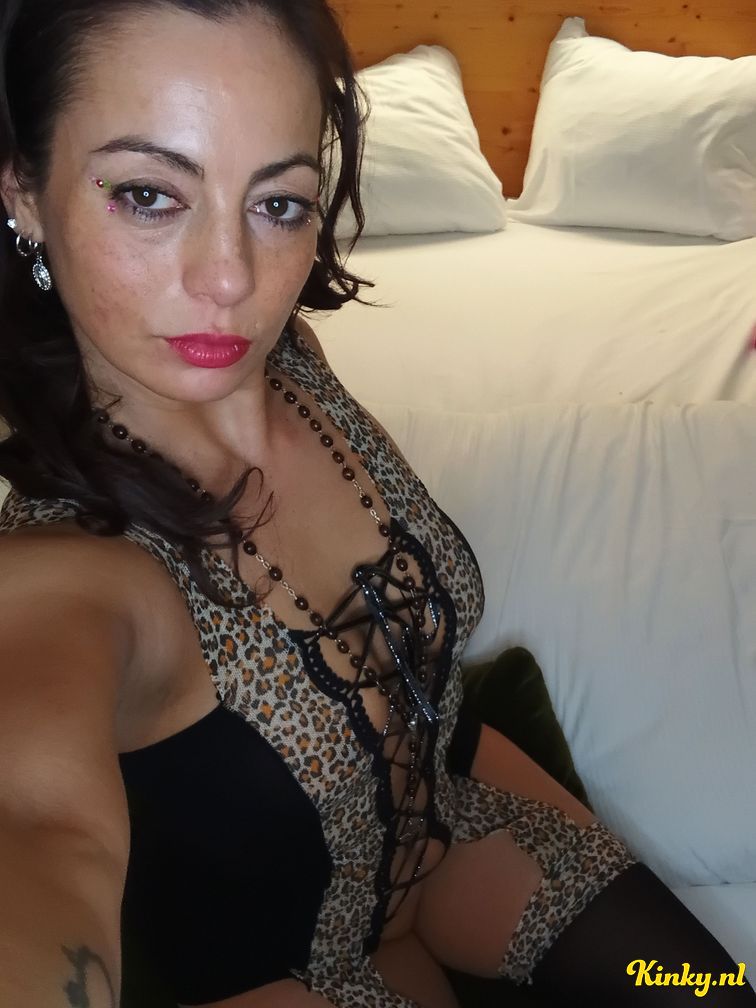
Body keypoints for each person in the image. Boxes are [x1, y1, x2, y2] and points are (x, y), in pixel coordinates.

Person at [0, 2, 753, 1006]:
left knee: (705, 991)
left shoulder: (294, 361)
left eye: (278, 204)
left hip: (452, 827)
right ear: (23, 192)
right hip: (292, 972)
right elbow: (39, 835)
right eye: (147, 194)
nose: (230, 280)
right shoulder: (60, 571)